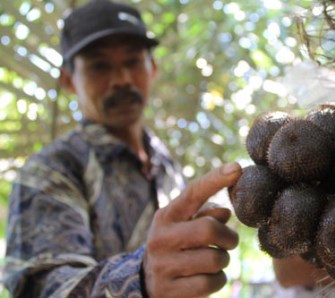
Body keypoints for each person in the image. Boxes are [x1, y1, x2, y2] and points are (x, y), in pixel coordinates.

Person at [4, 0, 242, 297]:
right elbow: (39, 287)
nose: (121, 80)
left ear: (152, 68)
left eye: (132, 62)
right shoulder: (52, 169)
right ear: (69, 80)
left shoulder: (166, 165)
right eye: (99, 66)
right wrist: (141, 278)